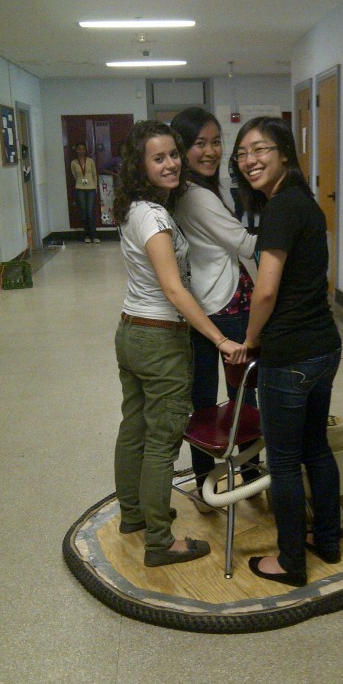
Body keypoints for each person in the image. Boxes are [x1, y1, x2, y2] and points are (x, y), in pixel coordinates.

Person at [112, 119, 246, 567]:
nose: (171, 164)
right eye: (159, 157)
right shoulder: (154, 218)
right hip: (158, 339)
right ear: (140, 163)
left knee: (135, 429)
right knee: (161, 440)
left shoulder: (135, 207)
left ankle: (134, 515)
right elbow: (174, 289)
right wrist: (219, 338)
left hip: (130, 331)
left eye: (173, 154)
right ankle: (159, 541)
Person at [231, 116, 343, 587]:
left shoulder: (279, 210)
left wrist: (250, 339)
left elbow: (266, 292)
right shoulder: (307, 205)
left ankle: (291, 562)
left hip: (290, 355)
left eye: (259, 150)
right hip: (324, 347)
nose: (249, 161)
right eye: (242, 155)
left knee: (282, 460)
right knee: (316, 447)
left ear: (283, 154)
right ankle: (329, 540)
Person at [171, 107, 260, 507]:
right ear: (181, 149)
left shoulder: (190, 189)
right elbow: (245, 244)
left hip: (206, 305)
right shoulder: (198, 195)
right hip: (226, 305)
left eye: (215, 141)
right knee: (242, 394)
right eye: (198, 144)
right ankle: (251, 474)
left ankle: (208, 484)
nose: (210, 151)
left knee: (204, 399)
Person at [71, 142, 99, 242]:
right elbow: (75, 175)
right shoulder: (74, 162)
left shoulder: (90, 161)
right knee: (84, 212)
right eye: (79, 149)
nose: (81, 151)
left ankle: (94, 236)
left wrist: (95, 187)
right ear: (76, 150)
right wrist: (81, 183)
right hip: (80, 189)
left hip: (91, 189)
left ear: (85, 150)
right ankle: (86, 235)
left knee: (90, 212)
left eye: (83, 149)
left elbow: (94, 174)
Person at [228, 156, 255, 229]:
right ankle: (251, 230)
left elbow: (231, 174)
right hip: (243, 187)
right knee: (249, 209)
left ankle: (236, 229)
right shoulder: (244, 159)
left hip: (234, 187)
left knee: (239, 211)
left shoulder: (232, 160)